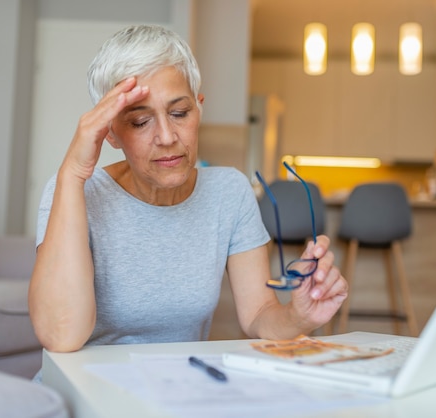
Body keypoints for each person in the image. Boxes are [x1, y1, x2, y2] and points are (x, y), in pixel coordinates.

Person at [28, 24, 348, 354]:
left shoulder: (229, 192)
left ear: (199, 107)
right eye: (140, 121)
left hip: (181, 390)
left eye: (179, 113)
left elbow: (258, 316)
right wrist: (72, 173)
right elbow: (61, 335)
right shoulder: (72, 192)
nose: (167, 137)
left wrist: (299, 315)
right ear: (109, 133)